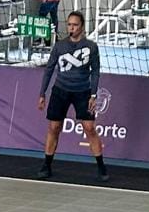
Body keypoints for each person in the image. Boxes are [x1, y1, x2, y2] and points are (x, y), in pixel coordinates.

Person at [37, 11, 108, 182]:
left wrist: (93, 94)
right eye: (69, 24)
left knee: (89, 128)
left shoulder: (91, 47)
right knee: (54, 128)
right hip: (60, 90)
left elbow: (96, 72)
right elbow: (49, 70)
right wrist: (42, 93)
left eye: (75, 25)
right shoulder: (59, 46)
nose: (72, 28)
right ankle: (46, 164)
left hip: (82, 92)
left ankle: (101, 166)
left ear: (82, 27)